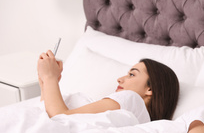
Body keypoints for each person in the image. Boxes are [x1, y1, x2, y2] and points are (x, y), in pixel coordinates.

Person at [37, 50, 180, 122]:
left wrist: (50, 78)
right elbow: (50, 112)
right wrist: (45, 80)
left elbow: (61, 118)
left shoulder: (131, 99)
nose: (120, 79)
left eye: (132, 75)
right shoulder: (133, 116)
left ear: (150, 88)